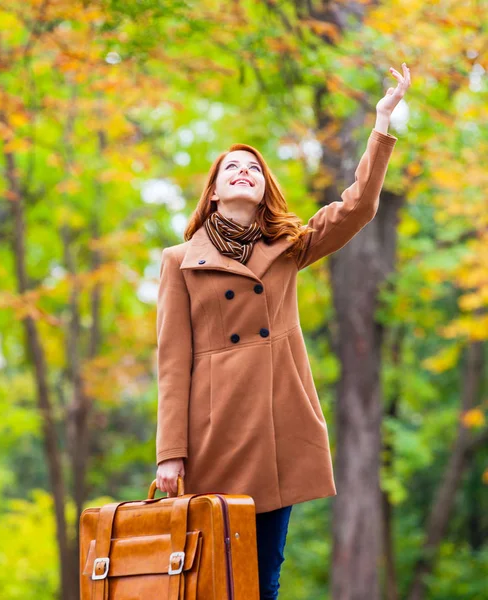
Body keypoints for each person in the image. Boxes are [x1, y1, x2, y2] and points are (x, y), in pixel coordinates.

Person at [155, 63, 411, 599]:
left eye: (253, 167)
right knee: (208, 577)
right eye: (231, 168)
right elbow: (172, 362)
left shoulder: (288, 248)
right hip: (213, 434)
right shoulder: (179, 261)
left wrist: (382, 122)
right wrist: (169, 453)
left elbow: (358, 207)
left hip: (275, 424)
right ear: (214, 192)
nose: (243, 171)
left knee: (264, 574)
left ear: (264, 185)